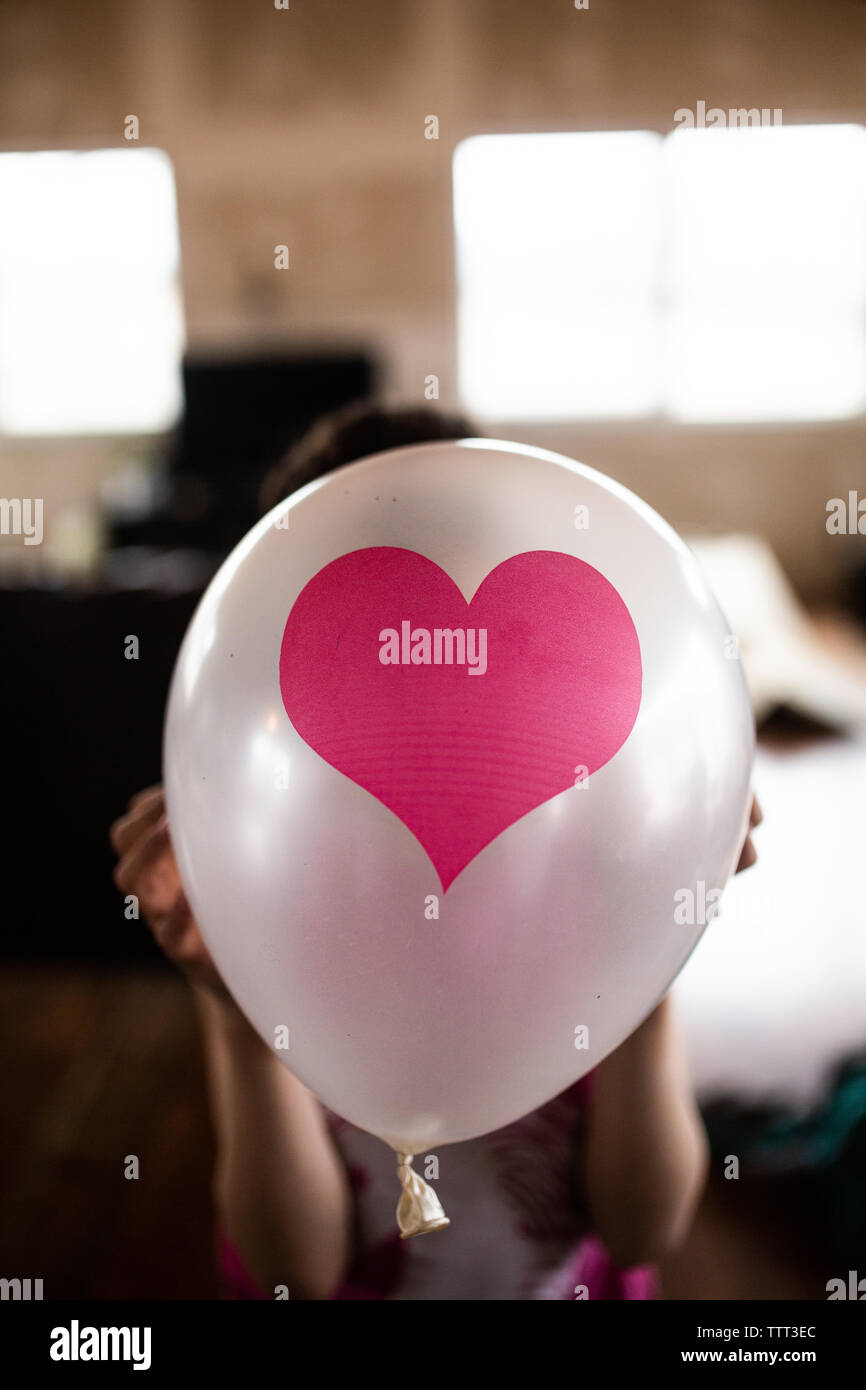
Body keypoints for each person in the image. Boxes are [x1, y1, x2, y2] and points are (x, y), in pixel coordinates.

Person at [111, 399, 762, 1300]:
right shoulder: (277, 915)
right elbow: (291, 1272)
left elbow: (645, 1223)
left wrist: (652, 940)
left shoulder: (575, 887)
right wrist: (232, 1012)